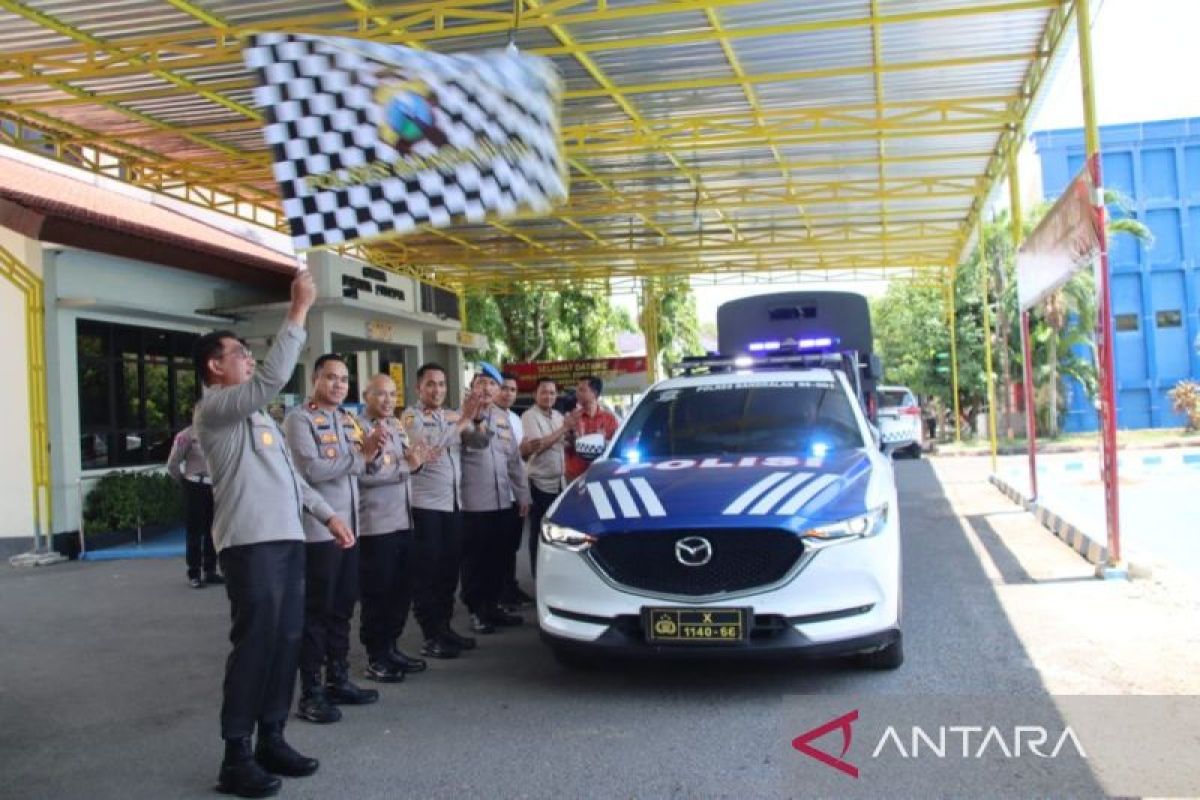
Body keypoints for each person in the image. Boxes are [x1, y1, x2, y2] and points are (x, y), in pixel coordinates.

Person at [193, 269, 354, 798]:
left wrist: (327, 515)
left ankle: (272, 737)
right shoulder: (214, 408)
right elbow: (270, 378)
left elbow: (291, 479)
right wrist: (298, 311)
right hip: (250, 544)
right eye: (239, 352)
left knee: (286, 642)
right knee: (257, 644)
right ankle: (235, 755)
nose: (247, 357)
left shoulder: (259, 416)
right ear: (216, 367)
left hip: (287, 541)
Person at [284, 355, 384, 724]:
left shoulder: (347, 419)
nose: (339, 385)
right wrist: (360, 457)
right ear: (315, 380)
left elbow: (361, 465)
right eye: (331, 378)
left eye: (344, 379)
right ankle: (310, 692)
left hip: (350, 529)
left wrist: (371, 452)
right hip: (318, 532)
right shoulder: (299, 420)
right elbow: (311, 470)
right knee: (317, 613)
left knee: (342, 607)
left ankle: (337, 678)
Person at [401, 363, 480, 659]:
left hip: (452, 505)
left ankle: (445, 628)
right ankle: (430, 634)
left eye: (442, 384)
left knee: (448, 571)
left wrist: (476, 417)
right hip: (426, 508)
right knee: (428, 573)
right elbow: (429, 446)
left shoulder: (452, 416)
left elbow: (480, 444)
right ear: (419, 388)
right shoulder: (411, 417)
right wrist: (461, 422)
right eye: (431, 384)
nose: (437, 390)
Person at [357, 374, 430, 681]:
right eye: (381, 394)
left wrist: (418, 461)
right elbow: (361, 474)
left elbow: (407, 462)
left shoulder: (396, 425)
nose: (388, 400)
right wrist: (407, 466)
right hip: (376, 524)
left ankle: (392, 647)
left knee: (402, 589)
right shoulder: (356, 428)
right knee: (378, 592)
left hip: (403, 519)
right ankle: (376, 656)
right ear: (366, 396)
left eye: (392, 394)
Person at [458, 363, 531, 634]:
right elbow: (474, 442)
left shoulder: (502, 419)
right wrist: (473, 417)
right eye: (481, 383)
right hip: (474, 503)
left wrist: (522, 494)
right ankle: (477, 610)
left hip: (503, 501)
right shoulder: (461, 416)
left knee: (498, 559)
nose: (486, 388)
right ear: (472, 387)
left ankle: (493, 606)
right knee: (475, 561)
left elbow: (513, 460)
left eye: (492, 384)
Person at [520, 378, 573, 578]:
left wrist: (573, 434)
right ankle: (538, 579)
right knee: (539, 535)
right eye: (544, 392)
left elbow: (564, 444)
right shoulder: (529, 416)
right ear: (535, 395)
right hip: (539, 483)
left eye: (552, 393)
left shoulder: (559, 415)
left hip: (560, 483)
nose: (549, 396)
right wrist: (563, 429)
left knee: (558, 533)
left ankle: (556, 577)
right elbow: (538, 446)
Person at [165, 425, 221, 589]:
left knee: (214, 530)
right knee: (194, 531)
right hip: (195, 485)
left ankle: (210, 570)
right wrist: (184, 481)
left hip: (214, 487)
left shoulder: (218, 433)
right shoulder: (186, 435)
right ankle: (194, 573)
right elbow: (172, 463)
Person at [495, 372, 532, 608]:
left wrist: (522, 494)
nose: (508, 393)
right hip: (493, 495)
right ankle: (497, 594)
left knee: (511, 546)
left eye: (513, 390)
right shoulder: (487, 417)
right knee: (495, 549)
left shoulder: (516, 420)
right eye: (504, 388)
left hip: (514, 492)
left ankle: (510, 587)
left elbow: (517, 459)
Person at [564, 375, 621, 483]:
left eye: (582, 390)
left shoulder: (610, 418)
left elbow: (615, 447)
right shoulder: (571, 417)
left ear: (594, 393)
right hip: (575, 478)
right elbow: (565, 444)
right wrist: (571, 438)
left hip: (601, 476)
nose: (577, 393)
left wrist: (602, 442)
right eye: (577, 390)